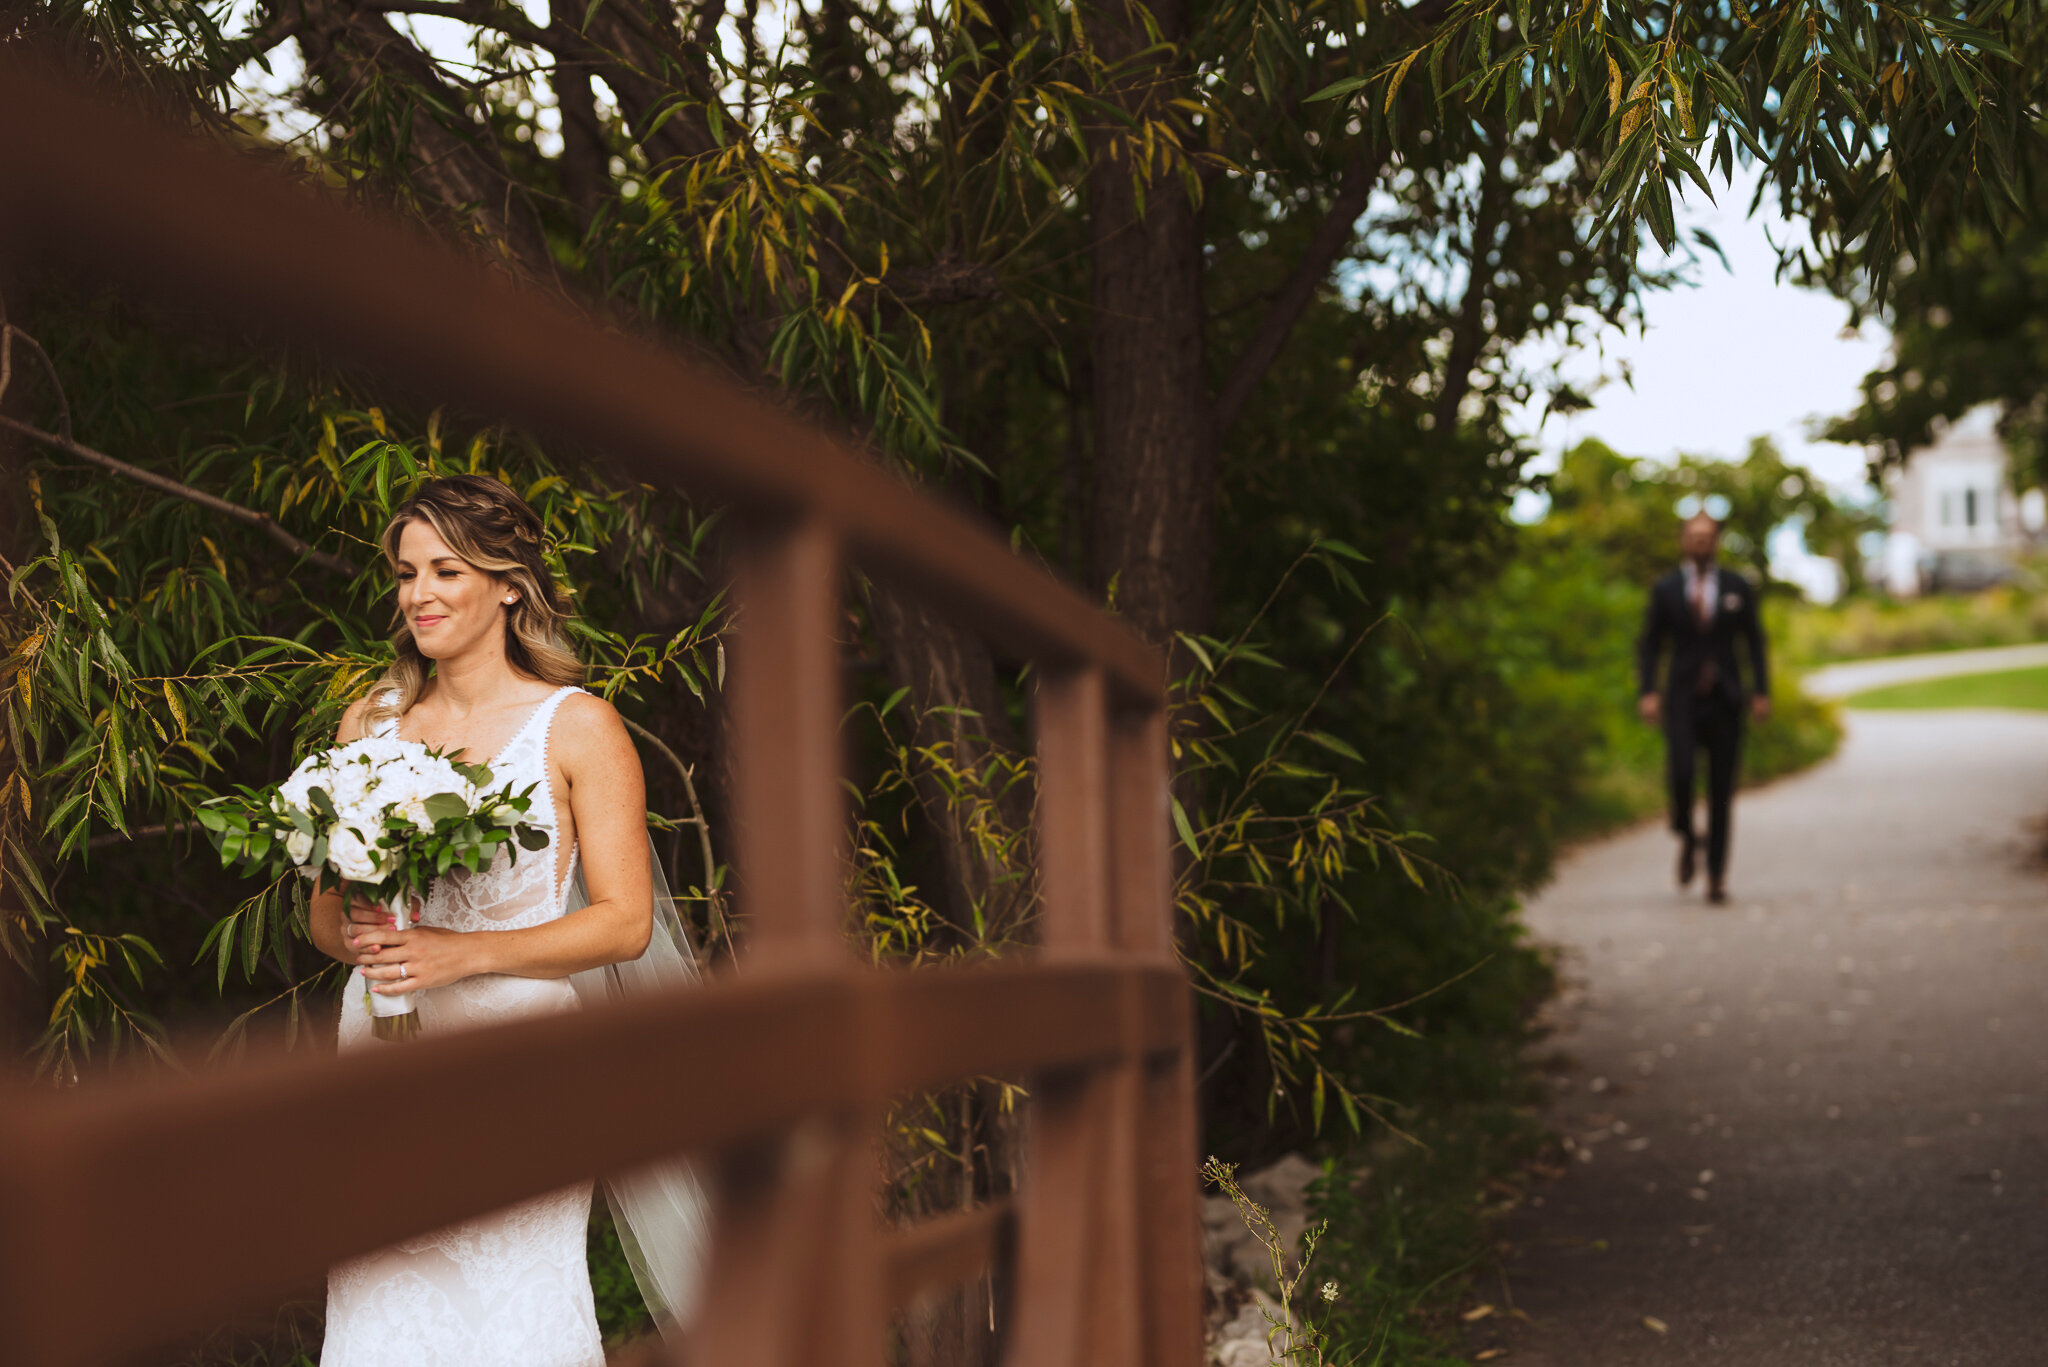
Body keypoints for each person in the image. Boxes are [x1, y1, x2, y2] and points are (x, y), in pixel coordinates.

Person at [307, 474, 703, 1366]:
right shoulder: (370, 722)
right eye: (407, 574)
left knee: (513, 1315)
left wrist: (461, 955)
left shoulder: (578, 728)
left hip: (520, 1061)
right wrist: (361, 935)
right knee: (379, 1302)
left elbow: (624, 924)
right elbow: (322, 918)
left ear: (509, 582)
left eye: (447, 569)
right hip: (377, 1050)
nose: (420, 595)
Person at [1635, 512, 1771, 904]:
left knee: (1721, 790)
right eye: (1694, 536)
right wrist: (1648, 691)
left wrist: (1761, 692)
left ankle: (1715, 875)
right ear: (1683, 540)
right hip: (1682, 699)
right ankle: (1686, 832)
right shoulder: (1665, 588)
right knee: (1680, 774)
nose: (1700, 542)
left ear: (1716, 542)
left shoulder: (1737, 586)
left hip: (1726, 699)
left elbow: (1755, 642)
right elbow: (1650, 645)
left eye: (1707, 536)